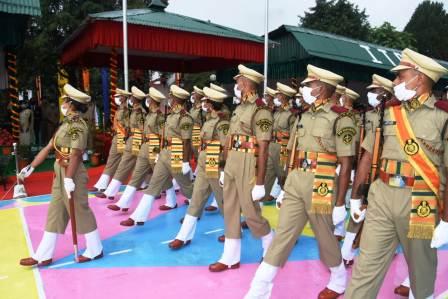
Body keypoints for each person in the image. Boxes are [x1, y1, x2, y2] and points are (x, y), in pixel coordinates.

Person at [245, 64, 356, 299]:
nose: (304, 89)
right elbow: (295, 153)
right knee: (283, 234)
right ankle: (259, 290)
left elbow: (346, 164)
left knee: (325, 237)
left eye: (308, 85)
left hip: (322, 181)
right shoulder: (304, 115)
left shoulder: (341, 118)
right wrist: (286, 187)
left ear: (321, 88)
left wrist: (339, 205)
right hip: (297, 180)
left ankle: (338, 278)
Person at [345, 48, 448, 299]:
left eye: (400, 77)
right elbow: (368, 154)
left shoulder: (443, 117)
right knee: (365, 267)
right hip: (381, 195)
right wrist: (358, 195)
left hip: (420, 200)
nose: (395, 83)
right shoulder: (388, 112)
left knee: (421, 271)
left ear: (419, 77)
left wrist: (446, 219)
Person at [19, 84, 103, 266]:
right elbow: (50, 146)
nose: (63, 104)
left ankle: (95, 249)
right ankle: (43, 254)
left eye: (65, 101)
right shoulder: (65, 124)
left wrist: (68, 179)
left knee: (80, 210)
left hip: (72, 173)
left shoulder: (78, 126)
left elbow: (76, 153)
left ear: (72, 104)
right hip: (60, 171)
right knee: (55, 213)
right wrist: (31, 167)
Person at [208, 64, 274, 272]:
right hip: (233, 162)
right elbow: (230, 140)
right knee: (229, 210)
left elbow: (263, 148)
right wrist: (224, 167)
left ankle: (269, 244)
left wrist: (261, 183)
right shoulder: (240, 107)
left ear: (245, 83)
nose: (236, 84)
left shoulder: (261, 110)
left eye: (238, 81)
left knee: (251, 212)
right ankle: (230, 257)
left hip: (248, 162)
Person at [119, 85, 194, 226]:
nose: (170, 99)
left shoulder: (185, 118)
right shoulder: (171, 114)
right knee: (153, 184)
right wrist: (159, 152)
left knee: (186, 186)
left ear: (177, 99)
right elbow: (163, 136)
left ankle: (196, 209)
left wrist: (185, 162)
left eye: (171, 97)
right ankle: (138, 217)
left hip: (177, 152)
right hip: (165, 151)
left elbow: (186, 141)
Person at [340, 74, 394, 266]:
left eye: (374, 91)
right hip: (370, 169)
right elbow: (362, 147)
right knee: (360, 210)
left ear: (385, 94)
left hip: (391, 173)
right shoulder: (368, 115)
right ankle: (348, 250)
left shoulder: (395, 116)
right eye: (370, 90)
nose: (370, 94)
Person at [168, 87, 230, 249]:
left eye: (205, 101)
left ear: (211, 104)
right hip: (204, 160)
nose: (203, 104)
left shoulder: (222, 122)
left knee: (222, 198)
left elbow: (225, 147)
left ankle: (233, 230)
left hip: (214, 161)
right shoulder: (209, 119)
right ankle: (183, 235)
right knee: (196, 198)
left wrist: (224, 169)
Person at [107, 87, 175, 212]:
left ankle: (171, 199)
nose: (147, 100)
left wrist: (160, 151)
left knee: (160, 175)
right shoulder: (149, 114)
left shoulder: (159, 117)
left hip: (154, 146)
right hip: (144, 146)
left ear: (153, 101)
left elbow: (162, 135)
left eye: (149, 98)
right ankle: (123, 203)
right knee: (136, 175)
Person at [97, 86, 146, 200]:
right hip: (131, 139)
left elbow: (141, 129)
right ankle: (153, 185)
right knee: (143, 165)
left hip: (136, 139)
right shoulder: (134, 110)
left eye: (132, 97)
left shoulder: (139, 112)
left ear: (135, 98)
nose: (130, 98)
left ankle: (110, 191)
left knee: (126, 165)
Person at [90, 88, 131, 192]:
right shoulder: (121, 109)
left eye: (118, 96)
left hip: (121, 137)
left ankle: (103, 184)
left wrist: (121, 134)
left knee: (114, 160)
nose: (116, 98)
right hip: (119, 136)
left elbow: (127, 126)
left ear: (124, 98)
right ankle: (102, 184)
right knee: (117, 161)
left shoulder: (125, 110)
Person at [264, 82, 297, 203]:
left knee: (282, 175)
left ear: (284, 97)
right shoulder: (276, 112)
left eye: (278, 95)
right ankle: (264, 196)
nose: (276, 97)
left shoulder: (291, 114)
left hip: (283, 148)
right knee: (267, 173)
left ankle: (287, 198)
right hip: (272, 145)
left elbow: (294, 134)